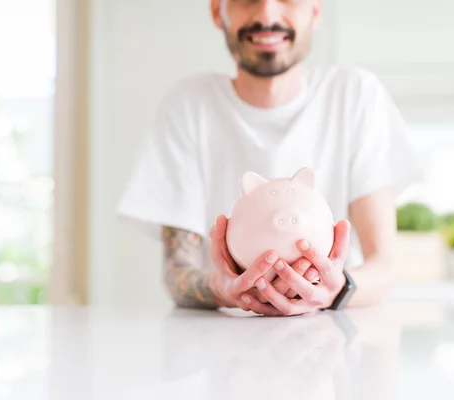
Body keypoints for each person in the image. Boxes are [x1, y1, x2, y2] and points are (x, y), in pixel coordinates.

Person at [117, 0, 421, 316]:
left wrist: (335, 289)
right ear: (217, 12)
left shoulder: (355, 96)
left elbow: (384, 268)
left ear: (315, 11)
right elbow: (178, 274)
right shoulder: (189, 105)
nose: (266, 15)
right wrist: (223, 289)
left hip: (334, 336)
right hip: (222, 341)